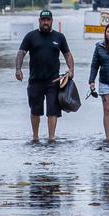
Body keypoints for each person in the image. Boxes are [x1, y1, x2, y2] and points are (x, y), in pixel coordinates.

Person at [16, 9, 74, 142]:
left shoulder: (59, 37)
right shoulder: (31, 36)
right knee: (35, 110)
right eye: (43, 20)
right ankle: (35, 138)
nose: (45, 22)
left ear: (52, 21)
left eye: (48, 20)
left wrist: (71, 69)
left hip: (54, 81)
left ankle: (51, 137)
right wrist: (18, 69)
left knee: (52, 110)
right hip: (35, 80)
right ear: (39, 21)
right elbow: (21, 53)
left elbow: (67, 54)